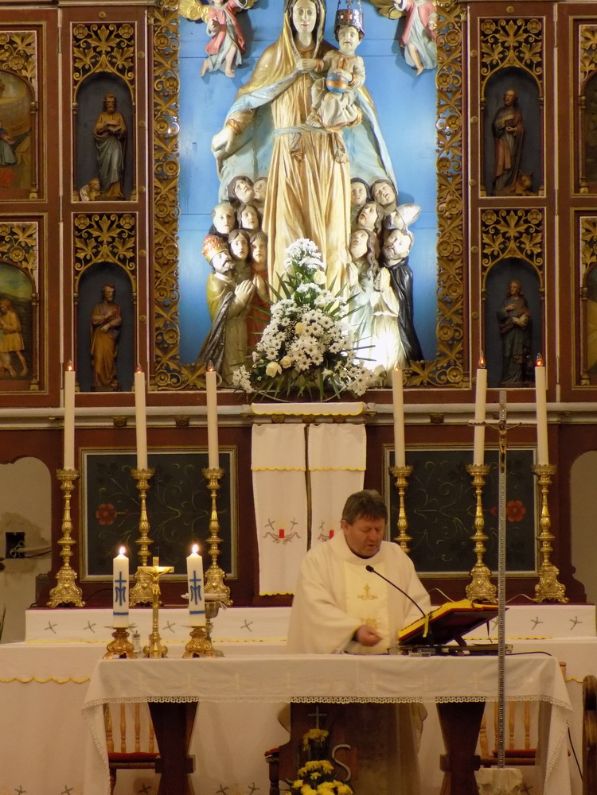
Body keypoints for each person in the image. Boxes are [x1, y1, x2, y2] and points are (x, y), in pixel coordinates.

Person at [211, 0, 397, 295]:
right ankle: (286, 307)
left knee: (331, 230)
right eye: (300, 11)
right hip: (289, 154)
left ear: (320, 15)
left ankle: (332, 307)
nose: (306, 17)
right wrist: (231, 128)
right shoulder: (275, 57)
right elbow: (252, 99)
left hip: (326, 153)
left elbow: (358, 102)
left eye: (311, 11)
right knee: (287, 228)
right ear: (289, 15)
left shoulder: (333, 57)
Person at [287, 489, 430, 791]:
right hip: (340, 683)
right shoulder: (320, 561)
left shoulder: (396, 558)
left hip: (391, 678)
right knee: (344, 757)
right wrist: (353, 630)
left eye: (379, 529)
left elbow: (417, 604)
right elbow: (314, 609)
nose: (374, 537)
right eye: (366, 530)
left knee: (390, 768)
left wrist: (409, 633)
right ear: (345, 526)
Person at [197, 234, 255, 384]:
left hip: (240, 326)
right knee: (232, 361)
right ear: (212, 263)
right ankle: (233, 385)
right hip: (227, 332)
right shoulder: (215, 283)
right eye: (219, 257)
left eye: (225, 253)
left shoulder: (232, 279)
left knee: (242, 357)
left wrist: (246, 302)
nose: (225, 258)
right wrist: (240, 300)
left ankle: (243, 382)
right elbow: (221, 314)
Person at [307, 16, 365, 133]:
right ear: (337, 38)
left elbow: (360, 78)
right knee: (317, 85)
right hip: (328, 84)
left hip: (345, 92)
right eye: (342, 34)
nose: (347, 37)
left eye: (352, 35)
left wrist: (349, 77)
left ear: (359, 40)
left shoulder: (357, 60)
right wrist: (314, 64)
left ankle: (329, 120)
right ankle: (315, 112)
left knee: (331, 98)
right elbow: (323, 65)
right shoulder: (332, 54)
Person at [380, 226, 424, 365]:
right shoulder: (377, 264)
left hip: (393, 325)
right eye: (393, 238)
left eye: (400, 244)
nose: (393, 244)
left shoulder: (403, 273)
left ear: (406, 253)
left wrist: (385, 288)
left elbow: (401, 306)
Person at [497, 278, 532, 386]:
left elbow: (527, 313)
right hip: (509, 331)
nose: (513, 289)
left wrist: (523, 318)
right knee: (508, 353)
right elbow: (500, 314)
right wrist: (506, 310)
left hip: (519, 333)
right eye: (511, 287)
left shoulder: (522, 301)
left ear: (518, 289)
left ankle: (517, 379)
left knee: (518, 353)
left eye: (515, 287)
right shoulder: (506, 301)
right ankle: (507, 378)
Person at [492, 88, 525, 196]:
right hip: (502, 140)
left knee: (511, 161)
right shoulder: (500, 112)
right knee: (501, 163)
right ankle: (499, 187)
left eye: (510, 96)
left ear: (514, 99)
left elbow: (521, 128)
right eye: (506, 95)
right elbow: (494, 126)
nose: (507, 98)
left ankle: (508, 186)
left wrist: (514, 129)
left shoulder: (517, 112)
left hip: (512, 140)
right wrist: (502, 124)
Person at [94, 94, 127, 199]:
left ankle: (116, 192)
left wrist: (119, 131)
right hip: (104, 146)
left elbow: (123, 129)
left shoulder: (118, 116)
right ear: (105, 104)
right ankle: (105, 191)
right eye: (108, 102)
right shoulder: (102, 116)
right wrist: (107, 124)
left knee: (115, 166)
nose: (110, 104)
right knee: (105, 169)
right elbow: (97, 129)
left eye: (112, 102)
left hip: (115, 144)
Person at [90, 284, 122, 390]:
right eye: (108, 292)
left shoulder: (116, 307)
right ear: (104, 293)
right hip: (99, 337)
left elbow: (119, 320)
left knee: (109, 360)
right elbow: (94, 319)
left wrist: (108, 325)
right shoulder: (98, 307)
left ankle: (110, 380)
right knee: (98, 361)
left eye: (112, 292)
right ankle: (98, 383)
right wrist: (106, 316)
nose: (110, 294)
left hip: (110, 337)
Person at [394, 0, 438, 75]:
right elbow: (403, 3)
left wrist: (432, 22)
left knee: (427, 47)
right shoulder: (412, 4)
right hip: (413, 32)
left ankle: (430, 61)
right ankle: (419, 66)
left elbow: (433, 14)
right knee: (410, 46)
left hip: (424, 32)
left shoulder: (428, 3)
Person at [0, 298, 27, 377]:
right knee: (3, 353)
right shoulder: (3, 316)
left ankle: (25, 368)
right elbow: (3, 328)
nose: (2, 309)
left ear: (7, 307)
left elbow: (16, 327)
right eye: (1, 307)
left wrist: (4, 325)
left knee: (18, 353)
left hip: (14, 336)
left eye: (3, 307)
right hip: (7, 336)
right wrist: (2, 326)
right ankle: (8, 369)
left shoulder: (12, 315)